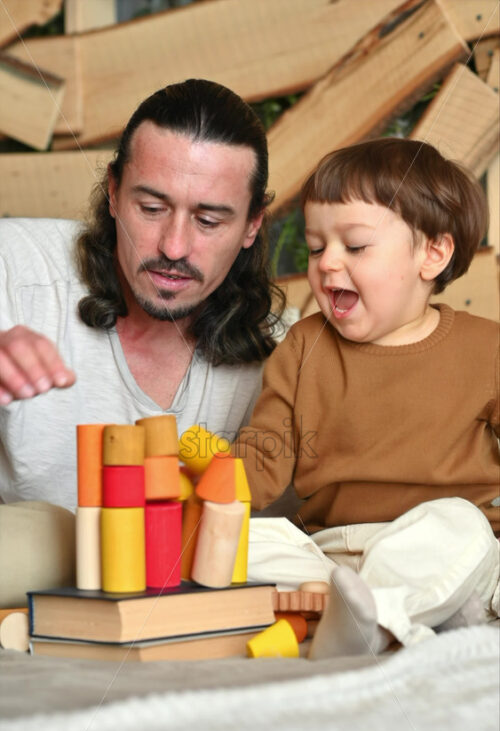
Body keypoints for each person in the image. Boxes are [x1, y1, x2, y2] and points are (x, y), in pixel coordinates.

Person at [0, 78, 284, 606]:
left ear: (251, 225)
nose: (174, 246)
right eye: (151, 209)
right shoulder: (17, 267)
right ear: (112, 192)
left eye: (208, 220)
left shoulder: (285, 361)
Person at [233, 138, 499, 655]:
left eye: (354, 246)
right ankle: (365, 620)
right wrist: (205, 481)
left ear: (432, 254)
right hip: (332, 554)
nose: (328, 263)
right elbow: (263, 458)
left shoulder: (485, 349)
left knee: (460, 527)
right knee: (241, 543)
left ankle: (369, 621)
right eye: (316, 247)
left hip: (437, 550)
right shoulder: (304, 346)